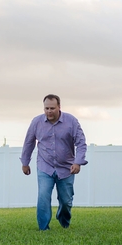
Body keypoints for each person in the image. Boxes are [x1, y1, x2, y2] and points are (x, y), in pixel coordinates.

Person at [20, 94, 87, 230]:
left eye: (52, 108)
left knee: (66, 201)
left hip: (67, 168)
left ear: (59, 107)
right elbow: (28, 142)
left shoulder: (71, 121)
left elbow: (81, 143)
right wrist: (25, 162)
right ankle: (44, 228)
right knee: (43, 196)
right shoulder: (36, 122)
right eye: (46, 108)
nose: (49, 111)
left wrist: (78, 162)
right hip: (45, 166)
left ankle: (64, 222)